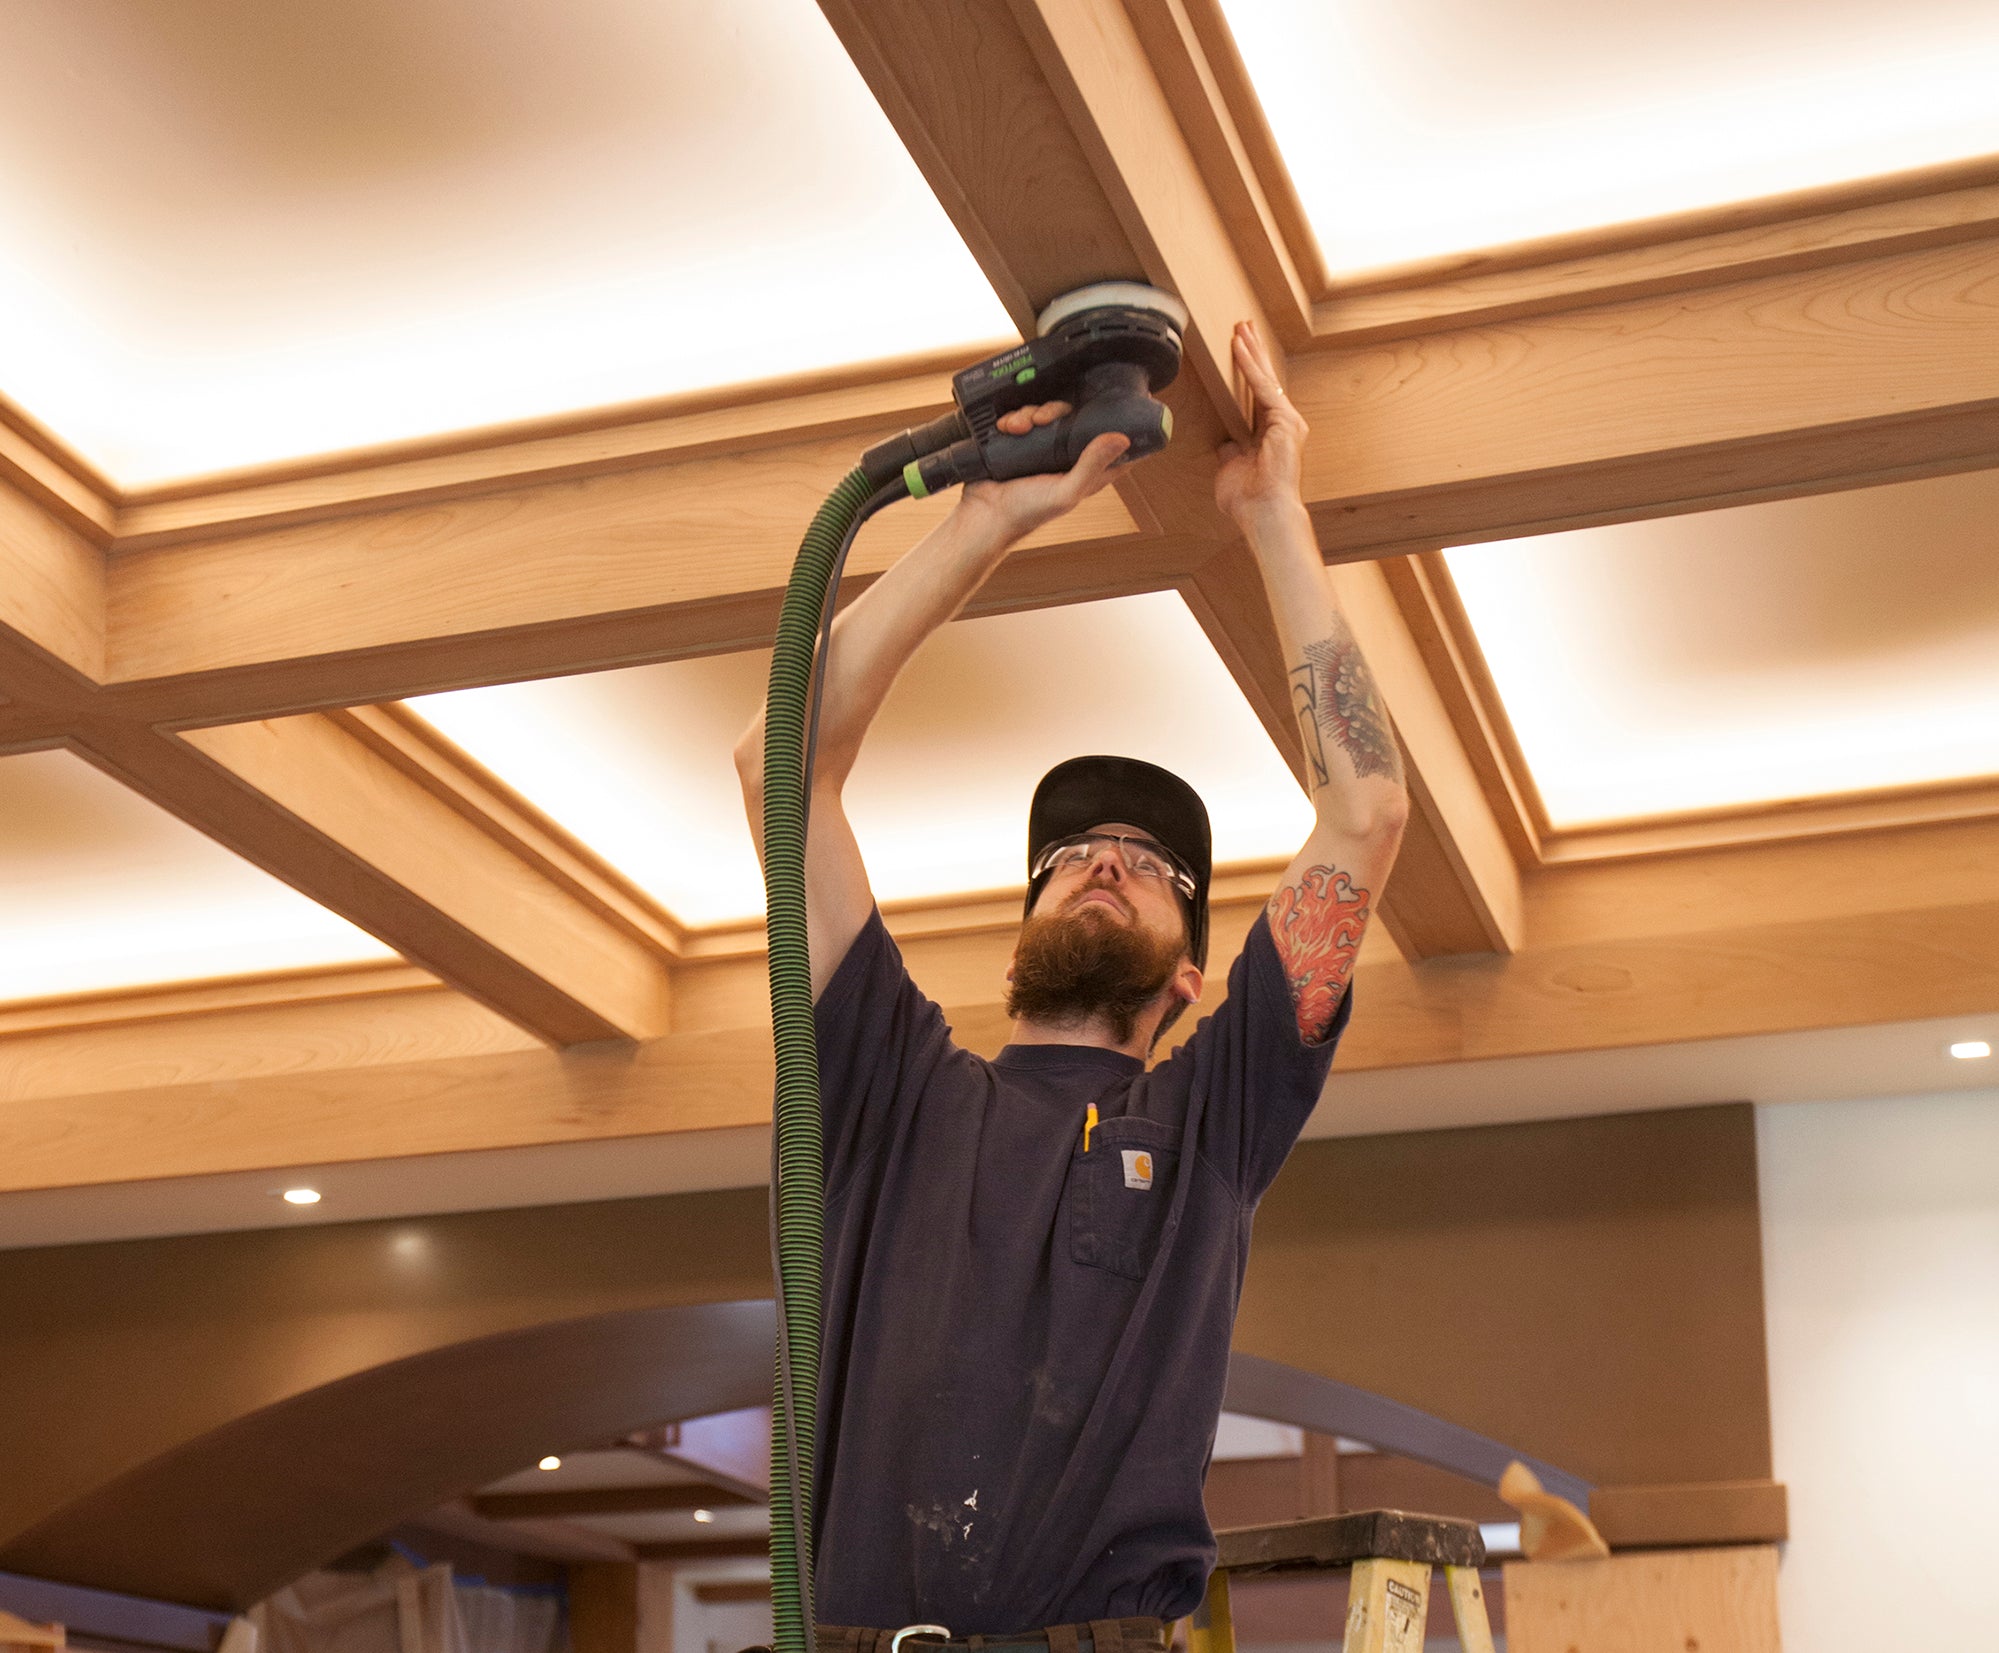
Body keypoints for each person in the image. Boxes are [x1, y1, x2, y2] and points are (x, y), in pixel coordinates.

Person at [735, 322, 1409, 1652]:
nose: (1105, 862)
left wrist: (1272, 512)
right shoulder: (890, 1079)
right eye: (1075, 854)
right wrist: (982, 523)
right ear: (1024, 920)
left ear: (1193, 969)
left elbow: (1368, 807)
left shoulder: (1212, 1119)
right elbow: (780, 764)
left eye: (1152, 865)